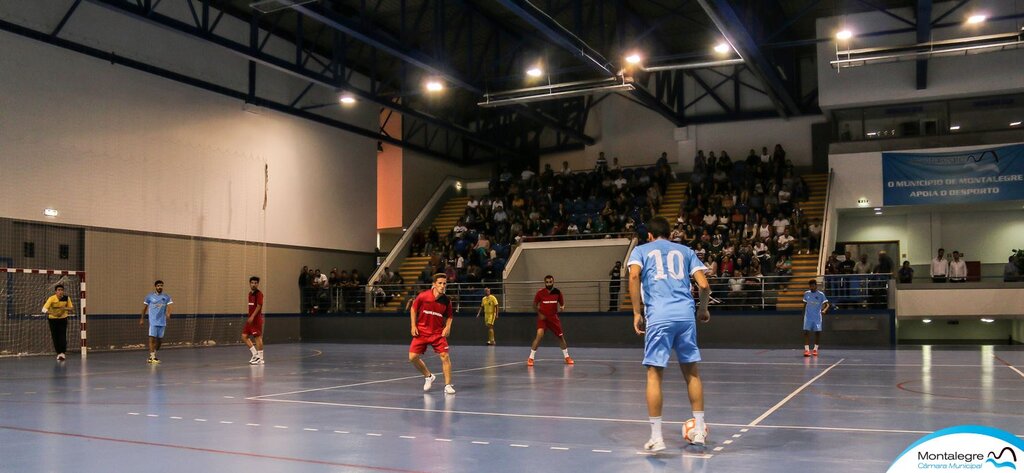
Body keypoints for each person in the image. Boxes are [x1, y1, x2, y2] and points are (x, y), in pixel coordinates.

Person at [627, 216, 712, 451]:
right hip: (685, 316)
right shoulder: (686, 251)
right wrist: (702, 310)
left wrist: (636, 312)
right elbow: (704, 285)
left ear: (650, 236)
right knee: (691, 373)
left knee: (654, 374)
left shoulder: (641, 251)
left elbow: (634, 276)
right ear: (670, 234)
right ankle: (699, 432)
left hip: (659, 316)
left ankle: (657, 437)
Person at [409, 273, 455, 394]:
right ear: (434, 284)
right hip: (422, 332)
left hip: (437, 333)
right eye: (440, 283)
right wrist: (413, 325)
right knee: (412, 357)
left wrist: (448, 327)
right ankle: (429, 376)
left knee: (445, 356)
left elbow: (450, 316)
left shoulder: (446, 300)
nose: (442, 286)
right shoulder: (423, 296)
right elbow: (413, 309)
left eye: (444, 283)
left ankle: (448, 385)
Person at [527, 275, 574, 366]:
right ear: (545, 283)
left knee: (560, 337)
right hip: (543, 318)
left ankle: (567, 357)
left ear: (553, 282)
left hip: (553, 318)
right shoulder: (540, 293)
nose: (549, 283)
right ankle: (530, 358)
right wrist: (540, 314)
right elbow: (534, 305)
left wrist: (562, 307)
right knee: (539, 335)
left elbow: (562, 303)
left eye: (550, 282)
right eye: (547, 282)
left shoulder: (557, 292)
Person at [139, 280, 173, 364]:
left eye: (161, 285)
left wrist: (169, 313)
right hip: (153, 321)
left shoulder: (166, 296)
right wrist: (142, 319)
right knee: (152, 339)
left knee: (159, 341)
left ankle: (153, 354)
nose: (160, 287)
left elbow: (170, 306)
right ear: (155, 286)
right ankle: (152, 357)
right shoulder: (149, 296)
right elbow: (144, 308)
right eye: (158, 285)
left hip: (162, 322)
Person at [42, 284, 74, 361]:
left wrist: (65, 308)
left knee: (62, 335)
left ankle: (62, 353)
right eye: (58, 290)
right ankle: (58, 353)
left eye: (61, 290)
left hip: (63, 319)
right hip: (53, 320)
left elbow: (71, 308)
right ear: (55, 291)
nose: (60, 291)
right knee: (55, 336)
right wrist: (51, 313)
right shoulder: (51, 298)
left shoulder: (66, 298)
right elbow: (43, 309)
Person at [801, 279, 830, 357]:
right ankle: (807, 350)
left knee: (817, 333)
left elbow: (827, 305)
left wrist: (824, 310)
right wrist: (803, 314)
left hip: (817, 317)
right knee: (806, 332)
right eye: (810, 286)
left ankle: (815, 349)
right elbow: (804, 305)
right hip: (808, 317)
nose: (811, 287)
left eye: (813, 285)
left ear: (816, 285)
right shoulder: (806, 294)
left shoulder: (821, 294)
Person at [243, 276, 265, 365]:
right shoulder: (249, 294)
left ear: (257, 284)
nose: (254, 284)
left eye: (256, 283)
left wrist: (252, 316)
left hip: (256, 320)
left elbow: (259, 306)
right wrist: (250, 317)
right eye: (252, 283)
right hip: (250, 320)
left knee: (257, 338)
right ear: (250, 283)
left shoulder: (259, 294)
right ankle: (255, 354)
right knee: (244, 336)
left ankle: (261, 358)